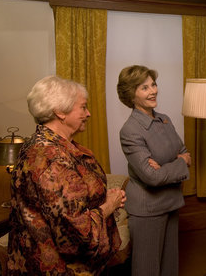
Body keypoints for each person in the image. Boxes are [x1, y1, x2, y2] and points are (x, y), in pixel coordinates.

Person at [7, 75, 126, 275]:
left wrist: (102, 199)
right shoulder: (51, 159)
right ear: (60, 112)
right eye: (83, 107)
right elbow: (77, 232)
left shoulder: (46, 144)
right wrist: (109, 206)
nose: (88, 113)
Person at [117, 65, 191, 276]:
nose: (153, 91)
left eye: (154, 84)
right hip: (147, 209)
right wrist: (179, 162)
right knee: (147, 270)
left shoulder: (164, 119)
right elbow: (152, 176)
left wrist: (169, 164)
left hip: (171, 201)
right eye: (144, 88)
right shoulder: (130, 130)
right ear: (131, 95)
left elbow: (185, 152)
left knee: (169, 268)